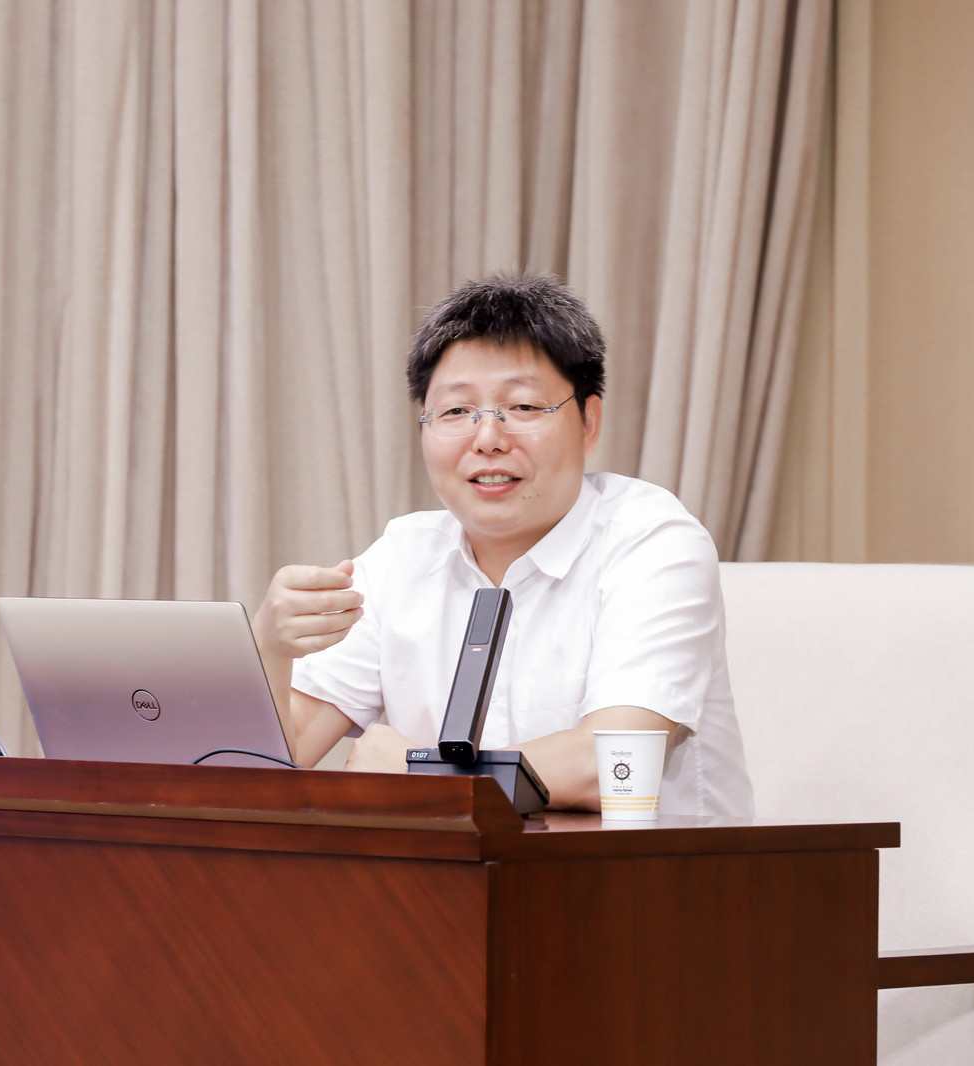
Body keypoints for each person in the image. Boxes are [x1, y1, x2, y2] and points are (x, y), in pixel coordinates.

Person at [252, 274, 753, 815]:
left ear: (589, 421)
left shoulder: (652, 540)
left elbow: (613, 766)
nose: (488, 438)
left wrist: (416, 772)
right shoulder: (403, 555)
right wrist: (271, 648)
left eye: (524, 408)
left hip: (650, 865)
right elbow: (266, 759)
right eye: (456, 412)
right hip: (456, 866)